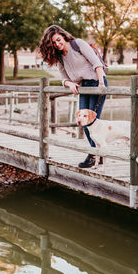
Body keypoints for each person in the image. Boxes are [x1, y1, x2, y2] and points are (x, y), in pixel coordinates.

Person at [39, 25, 108, 168]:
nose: (58, 44)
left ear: (63, 36)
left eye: (59, 40)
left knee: (92, 121)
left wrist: (101, 83)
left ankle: (93, 154)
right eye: (54, 43)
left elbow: (97, 63)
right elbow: (63, 77)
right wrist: (69, 84)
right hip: (83, 86)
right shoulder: (60, 57)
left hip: (97, 82)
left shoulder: (78, 44)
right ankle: (97, 154)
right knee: (82, 121)